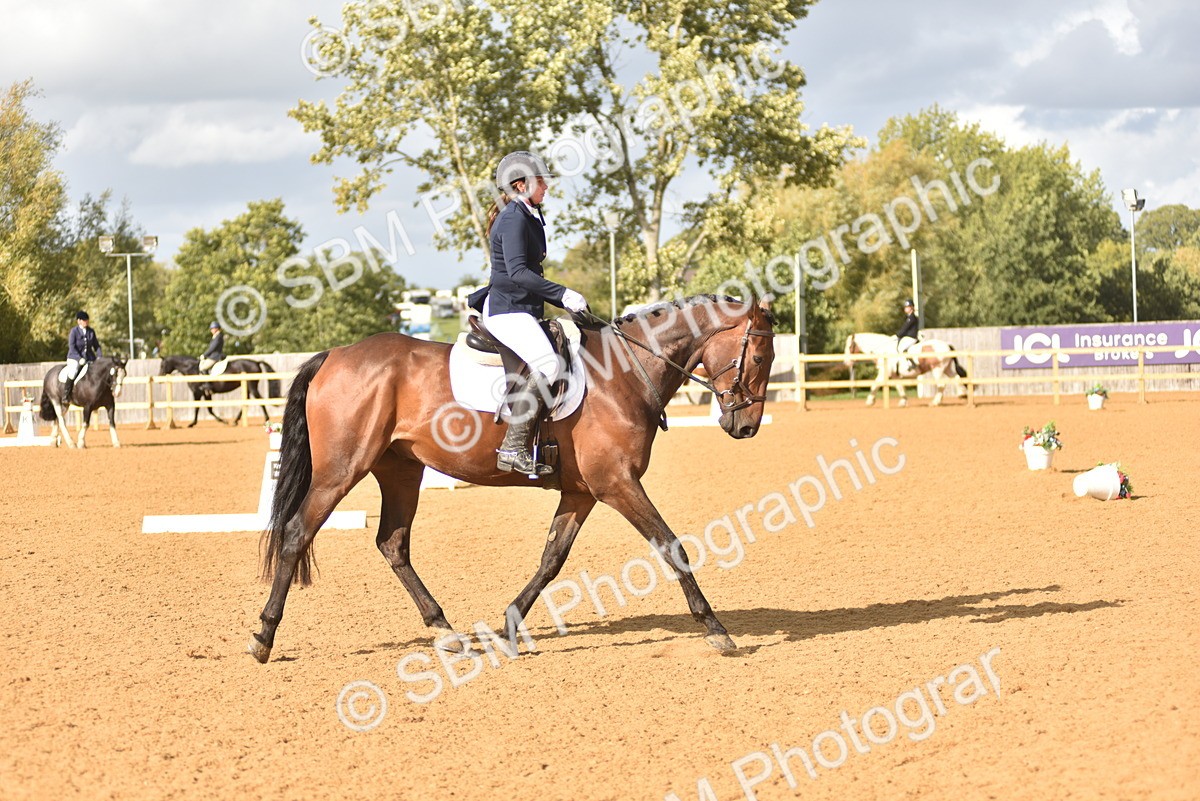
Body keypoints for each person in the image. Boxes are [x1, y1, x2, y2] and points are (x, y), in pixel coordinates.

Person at [468, 150, 589, 476]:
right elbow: (520, 274)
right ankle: (512, 447)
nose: (547, 185)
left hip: (522, 309)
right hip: (508, 311)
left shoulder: (527, 214)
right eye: (541, 180)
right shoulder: (513, 218)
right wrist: (563, 294)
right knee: (549, 365)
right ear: (521, 185)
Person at [63, 310, 102, 405]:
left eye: (87, 320)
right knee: (72, 373)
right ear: (79, 321)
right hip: (74, 358)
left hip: (89, 358)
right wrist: (79, 358)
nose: (86, 322)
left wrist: (100, 357)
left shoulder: (91, 331)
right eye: (84, 320)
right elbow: (72, 346)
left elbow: (96, 346)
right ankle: (66, 395)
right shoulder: (74, 331)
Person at [896, 299, 920, 372]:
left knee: (901, 348)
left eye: (908, 307)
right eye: (905, 307)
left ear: (912, 307)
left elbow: (905, 328)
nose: (906, 308)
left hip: (911, 337)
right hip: (908, 337)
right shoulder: (909, 317)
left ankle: (909, 364)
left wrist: (898, 334)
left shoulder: (912, 318)